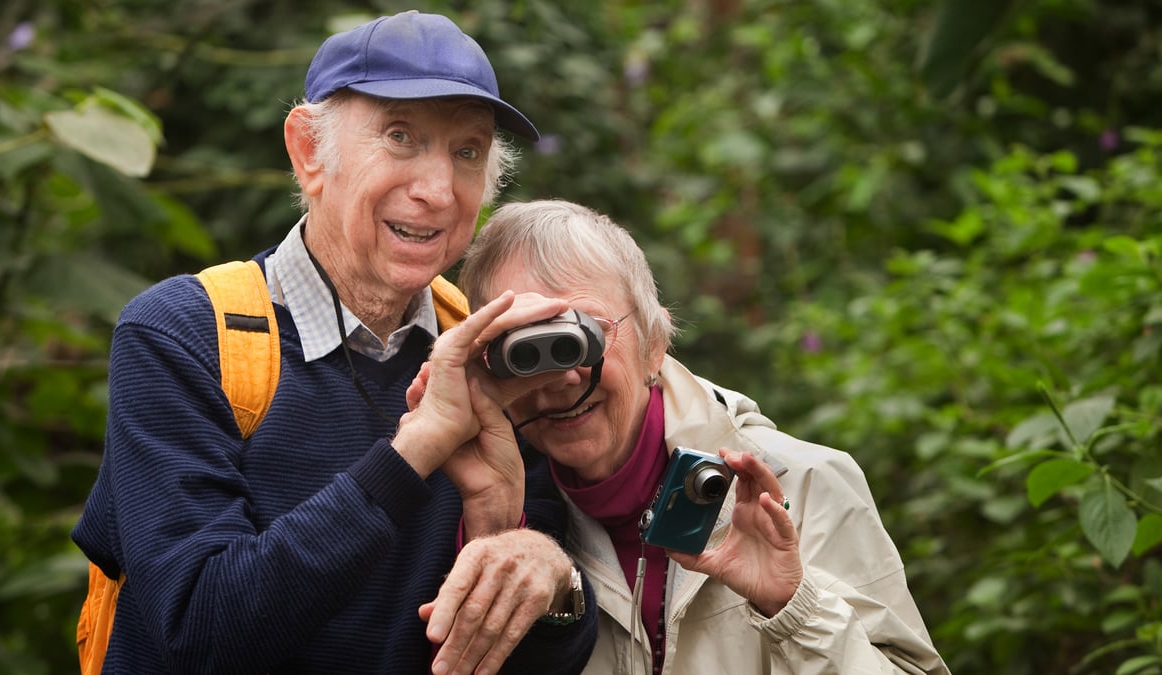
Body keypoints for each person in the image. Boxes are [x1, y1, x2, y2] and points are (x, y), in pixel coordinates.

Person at [71, 13, 597, 675]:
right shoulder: (182, 336)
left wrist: (542, 567)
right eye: (401, 136)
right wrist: (414, 451)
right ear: (310, 153)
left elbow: (537, 662)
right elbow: (199, 632)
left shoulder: (496, 352)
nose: (436, 190)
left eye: (467, 151)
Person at [453, 199, 952, 674]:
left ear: (655, 344)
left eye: (583, 336)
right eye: (523, 350)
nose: (561, 377)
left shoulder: (801, 485)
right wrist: (495, 522)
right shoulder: (493, 507)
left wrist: (794, 607)